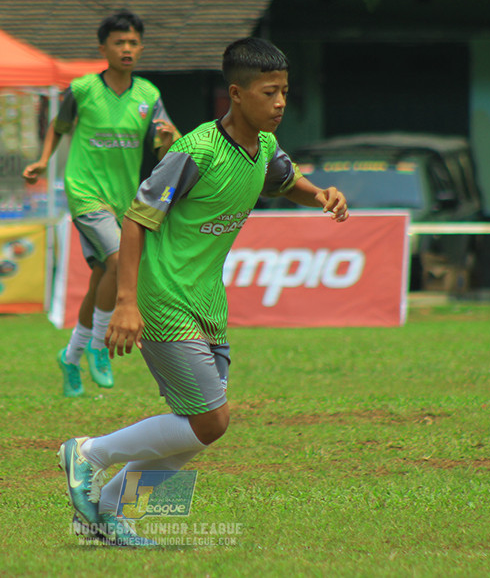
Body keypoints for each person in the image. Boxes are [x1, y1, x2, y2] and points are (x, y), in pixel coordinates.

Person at [57, 37, 349, 546]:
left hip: (208, 304)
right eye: (269, 93)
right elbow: (134, 221)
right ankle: (87, 454)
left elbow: (287, 179)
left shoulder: (264, 149)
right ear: (236, 94)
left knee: (198, 427)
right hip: (164, 296)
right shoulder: (196, 151)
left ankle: (109, 513)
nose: (280, 102)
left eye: (284, 92)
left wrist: (320, 193)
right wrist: (126, 302)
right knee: (211, 421)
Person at [23, 10, 178, 398]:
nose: (126, 49)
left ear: (141, 48)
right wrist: (43, 162)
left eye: (133, 43)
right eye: (118, 42)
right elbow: (57, 128)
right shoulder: (81, 90)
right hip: (85, 191)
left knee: (101, 280)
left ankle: (71, 356)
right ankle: (98, 346)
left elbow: (165, 148)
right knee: (118, 260)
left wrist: (167, 139)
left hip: (124, 199)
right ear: (103, 47)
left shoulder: (149, 96)